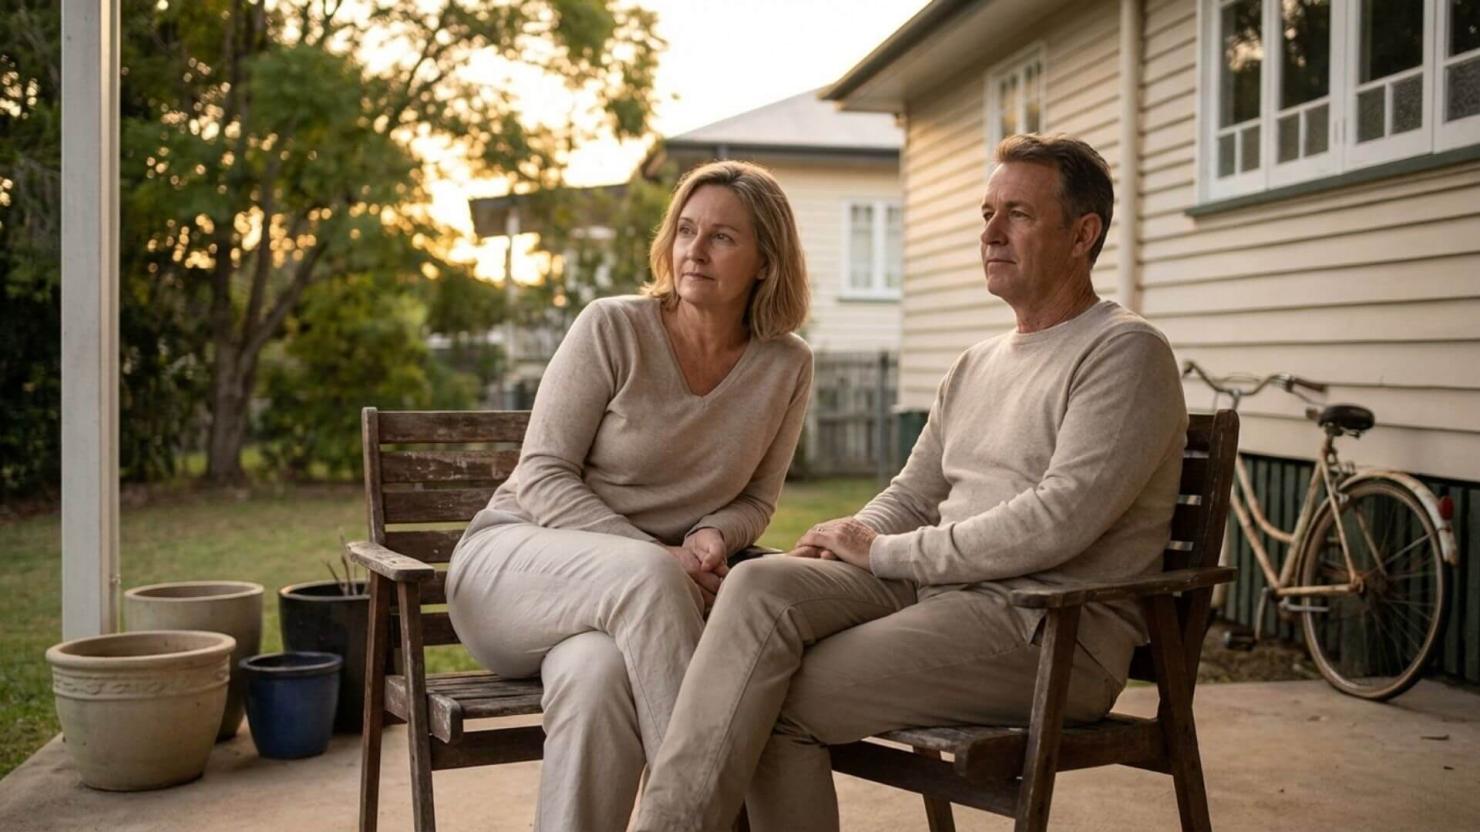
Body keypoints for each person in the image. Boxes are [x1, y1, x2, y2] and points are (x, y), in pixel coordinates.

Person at [632, 134, 1188, 832]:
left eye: (1016, 214)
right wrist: (840, 542)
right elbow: (914, 494)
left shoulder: (1124, 352)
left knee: (768, 697)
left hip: (1047, 629)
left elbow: (1058, 519)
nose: (990, 233)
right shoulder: (977, 363)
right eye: (986, 213)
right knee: (758, 583)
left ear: (1083, 235)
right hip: (946, 596)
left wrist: (885, 552)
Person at [445, 160, 812, 832]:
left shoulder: (787, 364)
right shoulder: (612, 327)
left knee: (595, 681)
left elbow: (757, 500)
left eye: (722, 237)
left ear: (766, 261)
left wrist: (712, 537)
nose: (695, 251)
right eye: (686, 230)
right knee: (646, 577)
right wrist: (656, 556)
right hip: (515, 572)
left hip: (629, 616)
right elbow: (543, 474)